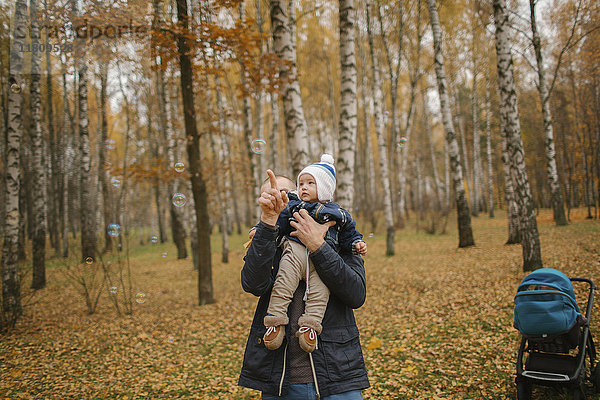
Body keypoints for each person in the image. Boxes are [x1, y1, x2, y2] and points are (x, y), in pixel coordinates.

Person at [238, 166, 370, 399]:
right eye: (271, 195)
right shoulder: (266, 238)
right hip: (280, 381)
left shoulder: (336, 233)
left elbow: (356, 294)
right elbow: (252, 284)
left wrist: (319, 247)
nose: (280, 199)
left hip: (337, 377)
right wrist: (268, 223)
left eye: (286, 194)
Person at [260, 155, 367, 355]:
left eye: (310, 183)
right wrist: (262, 229)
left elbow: (350, 233)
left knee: (320, 293)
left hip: (321, 261)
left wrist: (356, 244)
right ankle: (275, 320)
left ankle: (310, 326)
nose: (304, 187)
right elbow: (278, 221)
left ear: (325, 188)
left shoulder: (339, 214)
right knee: (283, 282)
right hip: (294, 252)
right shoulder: (293, 206)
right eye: (301, 183)